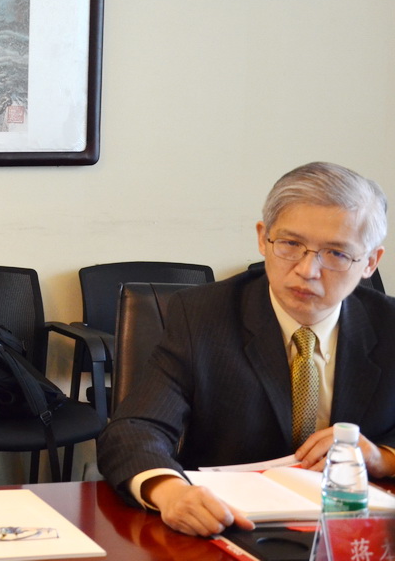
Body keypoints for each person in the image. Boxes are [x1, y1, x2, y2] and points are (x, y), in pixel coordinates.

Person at [98, 162, 395, 537]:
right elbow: (135, 428)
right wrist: (170, 492)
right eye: (290, 244)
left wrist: (382, 458)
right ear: (263, 238)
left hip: (354, 531)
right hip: (227, 526)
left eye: (336, 253)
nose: (307, 270)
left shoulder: (388, 325)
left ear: (370, 262)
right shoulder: (202, 315)